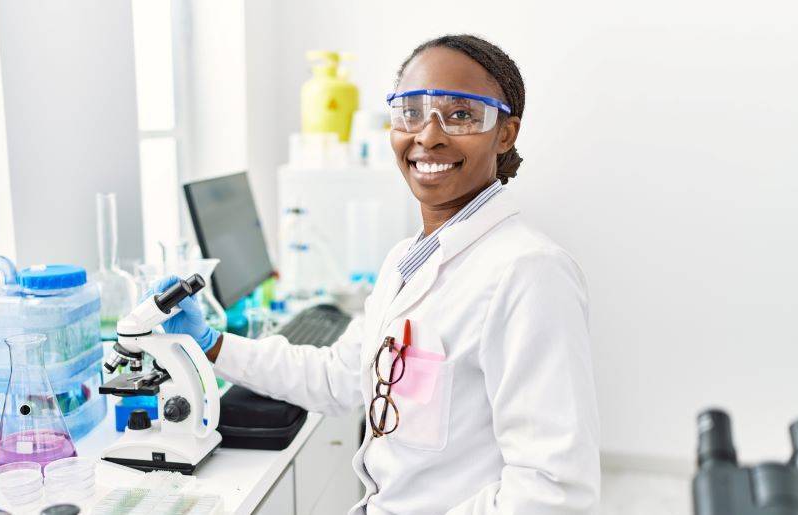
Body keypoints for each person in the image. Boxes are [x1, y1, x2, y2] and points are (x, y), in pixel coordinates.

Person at [153, 34, 600, 514]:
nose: (428, 135)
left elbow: (554, 494)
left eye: (462, 114)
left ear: (505, 133)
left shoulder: (528, 273)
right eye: (410, 112)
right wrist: (211, 344)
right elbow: (339, 379)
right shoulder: (406, 262)